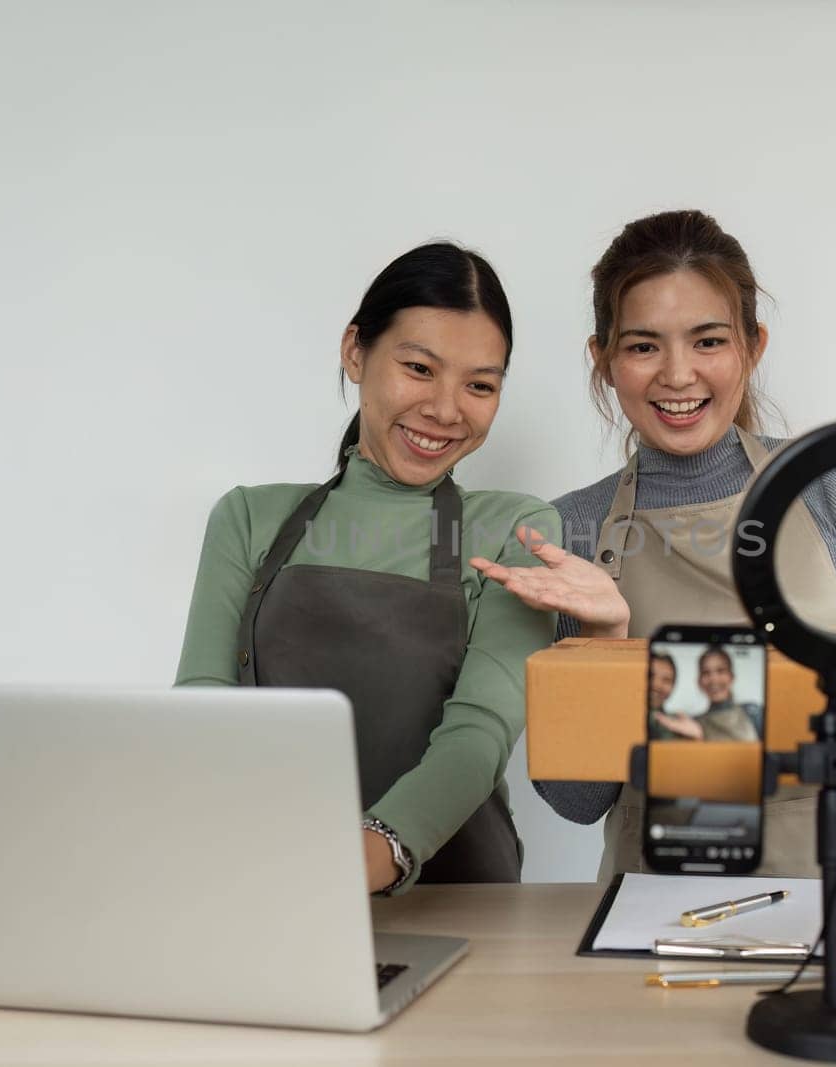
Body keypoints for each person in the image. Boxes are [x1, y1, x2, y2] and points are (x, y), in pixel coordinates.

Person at [472, 210, 836, 882]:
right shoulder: (572, 530)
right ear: (605, 361)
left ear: (752, 346)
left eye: (708, 341)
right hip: (656, 916)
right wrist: (606, 641)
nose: (677, 375)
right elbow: (574, 801)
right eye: (644, 346)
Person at [176, 242, 558, 894]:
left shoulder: (515, 531)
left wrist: (359, 862)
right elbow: (202, 719)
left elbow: (479, 735)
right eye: (418, 367)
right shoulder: (248, 520)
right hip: (272, 894)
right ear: (356, 352)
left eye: (479, 385)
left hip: (465, 910)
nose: (445, 409)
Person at [651, 645, 761, 743]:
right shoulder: (692, 724)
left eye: (720, 671)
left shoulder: (754, 712)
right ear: (699, 681)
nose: (713, 679)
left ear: (731, 677)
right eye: (706, 673)